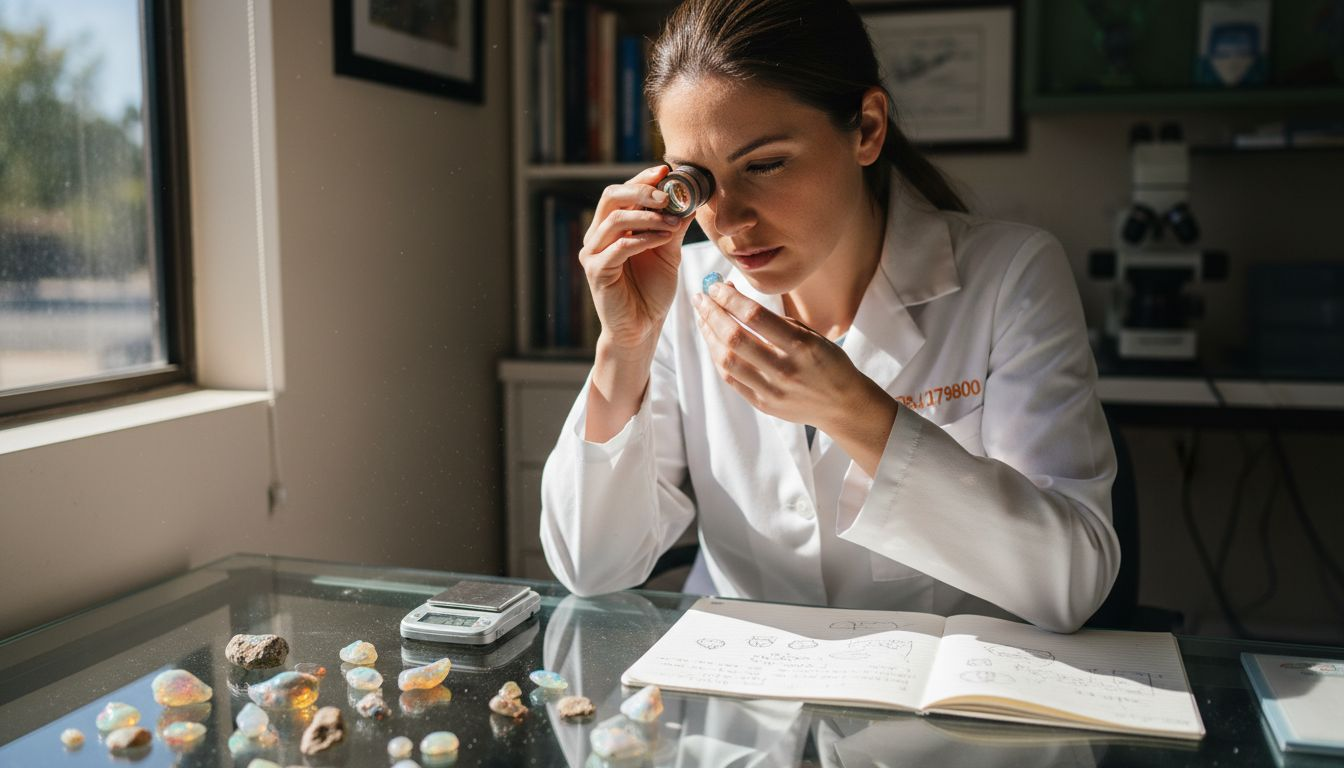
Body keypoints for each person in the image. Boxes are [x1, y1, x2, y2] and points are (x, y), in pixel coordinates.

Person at [539, 0, 1119, 633]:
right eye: (696, 182)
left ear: (867, 129)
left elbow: (1070, 584)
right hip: (736, 683)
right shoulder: (683, 292)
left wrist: (853, 412)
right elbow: (591, 568)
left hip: (933, 684)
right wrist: (624, 344)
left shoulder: (1009, 274)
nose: (727, 222)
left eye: (764, 165)